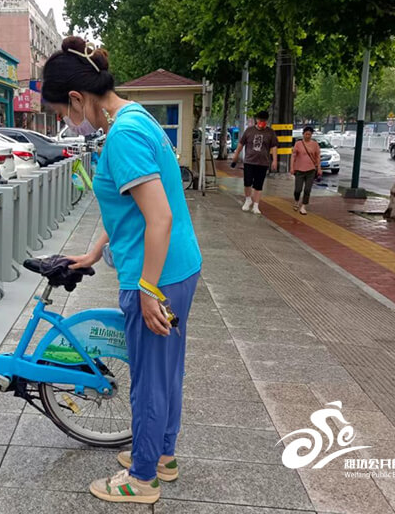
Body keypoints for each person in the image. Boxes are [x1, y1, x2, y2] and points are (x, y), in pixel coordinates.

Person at [42, 36, 202, 505]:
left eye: (60, 113)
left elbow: (160, 217)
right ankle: (163, 456)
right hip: (179, 267)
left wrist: (148, 288)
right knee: (166, 371)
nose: (64, 123)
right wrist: (94, 253)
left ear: (76, 97)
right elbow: (129, 213)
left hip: (158, 275)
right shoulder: (135, 118)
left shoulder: (124, 136)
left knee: (149, 380)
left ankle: (143, 478)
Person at [230, 111, 278, 214]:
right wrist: (236, 156)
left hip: (263, 163)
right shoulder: (249, 131)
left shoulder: (270, 132)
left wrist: (274, 160)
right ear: (257, 120)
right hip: (249, 161)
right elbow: (241, 144)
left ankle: (256, 205)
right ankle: (248, 200)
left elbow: (274, 147)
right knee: (247, 182)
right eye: (260, 120)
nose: (262, 122)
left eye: (264, 120)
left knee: (258, 185)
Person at [290, 126, 322, 215]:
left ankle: (303, 206)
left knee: (307, 189)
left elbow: (318, 157)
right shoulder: (298, 144)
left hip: (311, 170)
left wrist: (319, 168)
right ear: (303, 134)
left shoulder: (315, 144)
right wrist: (292, 167)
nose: (308, 136)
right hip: (299, 170)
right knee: (298, 189)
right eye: (306, 134)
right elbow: (293, 156)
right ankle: (296, 201)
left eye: (309, 134)